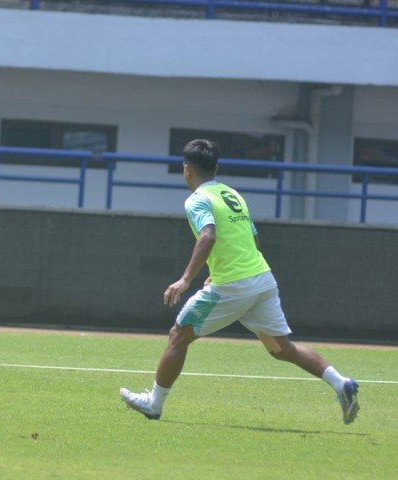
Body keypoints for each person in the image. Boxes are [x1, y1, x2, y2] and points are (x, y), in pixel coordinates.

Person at [119, 139, 359, 424]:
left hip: (233, 286)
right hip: (262, 280)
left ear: (186, 170)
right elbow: (252, 237)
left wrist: (186, 279)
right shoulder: (233, 194)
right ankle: (340, 383)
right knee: (282, 349)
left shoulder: (197, 199)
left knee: (178, 336)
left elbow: (208, 235)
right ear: (215, 168)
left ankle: (154, 404)